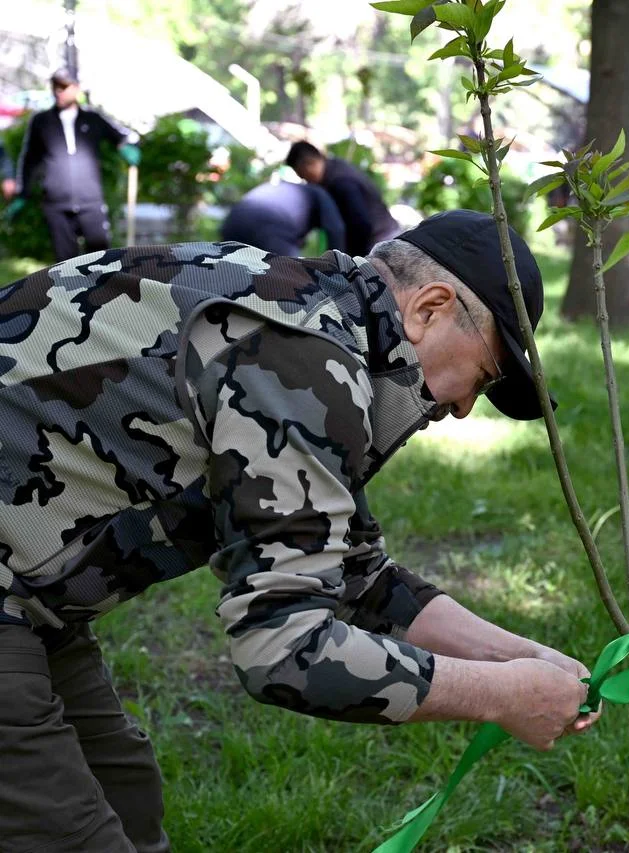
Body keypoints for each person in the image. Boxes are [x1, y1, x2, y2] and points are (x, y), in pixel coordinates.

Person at [0, 210, 598, 851]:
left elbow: (357, 576)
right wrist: (501, 696)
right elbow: (285, 651)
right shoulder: (306, 356)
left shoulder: (312, 315)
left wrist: (515, 658)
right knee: (73, 835)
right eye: (482, 375)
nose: (460, 407)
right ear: (429, 307)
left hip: (30, 597)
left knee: (123, 789)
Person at [15, 68, 140, 261]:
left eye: (64, 87)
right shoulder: (41, 121)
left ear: (76, 88)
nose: (58, 91)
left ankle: (102, 292)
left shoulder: (92, 119)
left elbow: (122, 136)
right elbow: (29, 158)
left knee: (101, 260)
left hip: (90, 201)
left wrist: (128, 146)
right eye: (55, 86)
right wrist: (23, 192)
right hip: (56, 203)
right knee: (65, 264)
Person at [286, 140, 400, 256]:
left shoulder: (340, 183)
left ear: (308, 165)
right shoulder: (335, 167)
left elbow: (361, 224)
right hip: (382, 237)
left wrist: (353, 261)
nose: (306, 181)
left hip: (379, 243)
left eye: (303, 175)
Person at [220, 176, 348, 257]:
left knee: (231, 277)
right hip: (269, 223)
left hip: (234, 219)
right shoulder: (323, 195)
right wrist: (337, 273)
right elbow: (336, 229)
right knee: (290, 281)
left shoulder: (296, 192)